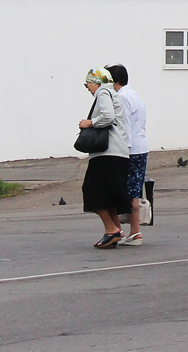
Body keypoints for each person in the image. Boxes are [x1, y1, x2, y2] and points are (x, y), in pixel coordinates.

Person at [79, 67, 131, 249]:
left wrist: (90, 123)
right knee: (110, 193)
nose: (88, 88)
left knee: (92, 190)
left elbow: (108, 117)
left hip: (107, 153)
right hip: (118, 151)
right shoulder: (113, 94)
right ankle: (115, 230)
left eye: (88, 85)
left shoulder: (103, 93)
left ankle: (111, 229)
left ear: (96, 82)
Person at [107, 63, 147, 247]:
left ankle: (128, 232)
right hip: (141, 147)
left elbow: (125, 127)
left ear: (114, 81)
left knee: (122, 192)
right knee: (134, 192)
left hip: (129, 149)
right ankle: (134, 232)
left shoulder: (121, 97)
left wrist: (123, 151)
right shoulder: (135, 95)